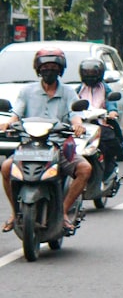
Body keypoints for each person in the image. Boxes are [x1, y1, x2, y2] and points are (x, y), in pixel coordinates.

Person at [1, 48, 90, 234]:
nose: (49, 70)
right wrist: (7, 124)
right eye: (45, 67)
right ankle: (14, 212)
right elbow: (16, 115)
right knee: (6, 168)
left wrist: (77, 125)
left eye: (53, 67)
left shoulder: (68, 93)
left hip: (59, 146)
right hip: (28, 146)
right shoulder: (27, 91)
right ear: (38, 69)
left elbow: (76, 116)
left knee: (85, 169)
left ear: (60, 70)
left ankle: (63, 211)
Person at [76, 58, 123, 175]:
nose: (89, 76)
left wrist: (112, 112)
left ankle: (109, 165)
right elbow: (72, 103)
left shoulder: (105, 88)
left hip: (101, 122)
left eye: (93, 73)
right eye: (86, 73)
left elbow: (110, 101)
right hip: (81, 124)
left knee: (109, 139)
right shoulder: (78, 90)